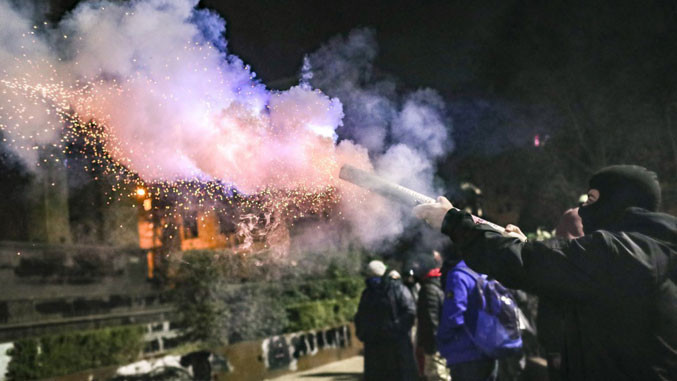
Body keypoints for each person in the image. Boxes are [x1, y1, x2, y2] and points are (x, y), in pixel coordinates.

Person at [413, 165, 677, 380]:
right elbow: (563, 270)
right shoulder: (648, 250)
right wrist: (524, 246)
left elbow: (536, 264)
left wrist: (453, 221)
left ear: (620, 202)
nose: (583, 209)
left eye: (593, 199)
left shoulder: (626, 252)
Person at [437, 252, 500, 381]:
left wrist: (441, 339)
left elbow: (453, 317)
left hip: (466, 354)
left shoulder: (458, 275)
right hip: (490, 350)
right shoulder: (483, 271)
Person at [538, 207, 584, 381]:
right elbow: (549, 313)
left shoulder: (555, 263)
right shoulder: (559, 268)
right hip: (568, 351)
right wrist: (555, 350)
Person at [354, 260, 418, 381]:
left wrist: (394, 329)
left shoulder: (391, 289)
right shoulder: (372, 293)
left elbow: (409, 312)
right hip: (385, 346)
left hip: (388, 347)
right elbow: (410, 311)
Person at [406, 254, 451, 381]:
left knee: (437, 376)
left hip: (435, 347)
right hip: (441, 343)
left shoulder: (428, 289)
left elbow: (431, 321)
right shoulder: (438, 283)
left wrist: (431, 348)